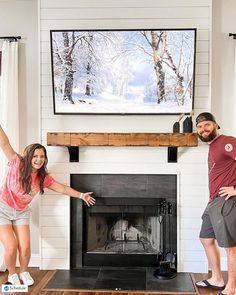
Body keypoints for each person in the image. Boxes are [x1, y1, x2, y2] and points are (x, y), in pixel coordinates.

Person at [0, 124, 96, 286]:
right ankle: (12, 274)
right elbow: (4, 143)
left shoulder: (43, 177)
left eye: (42, 156)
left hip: (22, 212)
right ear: (29, 156)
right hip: (2, 209)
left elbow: (62, 188)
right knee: (11, 246)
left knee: (25, 246)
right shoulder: (17, 163)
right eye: (35, 156)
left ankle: (24, 271)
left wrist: (81, 195)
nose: (39, 159)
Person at [194, 112, 236, 295]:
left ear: (216, 125)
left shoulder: (227, 141)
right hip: (213, 202)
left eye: (207, 125)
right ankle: (217, 278)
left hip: (226, 201)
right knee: (205, 238)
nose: (203, 129)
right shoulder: (212, 147)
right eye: (200, 127)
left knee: (230, 246)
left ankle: (232, 287)